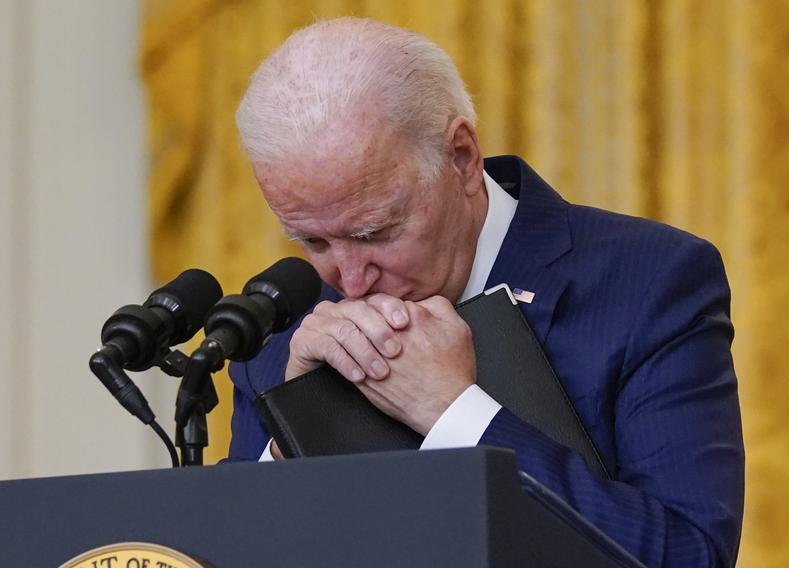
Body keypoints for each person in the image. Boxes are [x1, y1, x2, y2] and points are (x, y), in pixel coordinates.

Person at [227, 17, 744, 567]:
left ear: (462, 159)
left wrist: (455, 413)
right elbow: (210, 549)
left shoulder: (649, 281)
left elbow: (691, 557)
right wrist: (295, 429)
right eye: (312, 240)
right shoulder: (281, 328)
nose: (349, 281)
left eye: (373, 232)